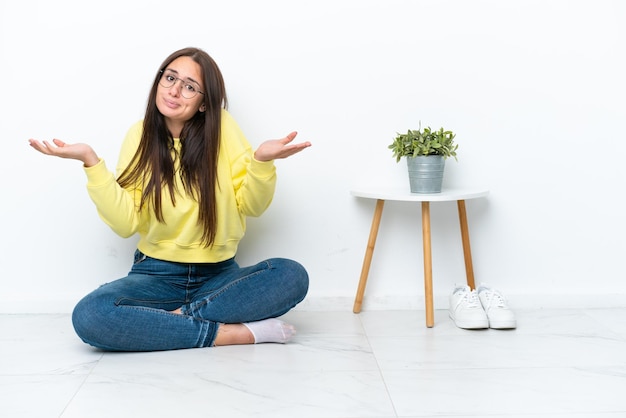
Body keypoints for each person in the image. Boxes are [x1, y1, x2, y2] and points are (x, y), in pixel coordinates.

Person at [28, 47, 311, 352]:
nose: (174, 90)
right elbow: (126, 224)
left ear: (204, 103)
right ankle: (231, 334)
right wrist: (91, 162)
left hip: (218, 275)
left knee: (292, 275)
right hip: (155, 274)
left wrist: (261, 163)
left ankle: (172, 321)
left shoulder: (224, 129)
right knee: (91, 315)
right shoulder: (139, 136)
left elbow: (252, 206)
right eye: (170, 78)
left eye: (189, 86)